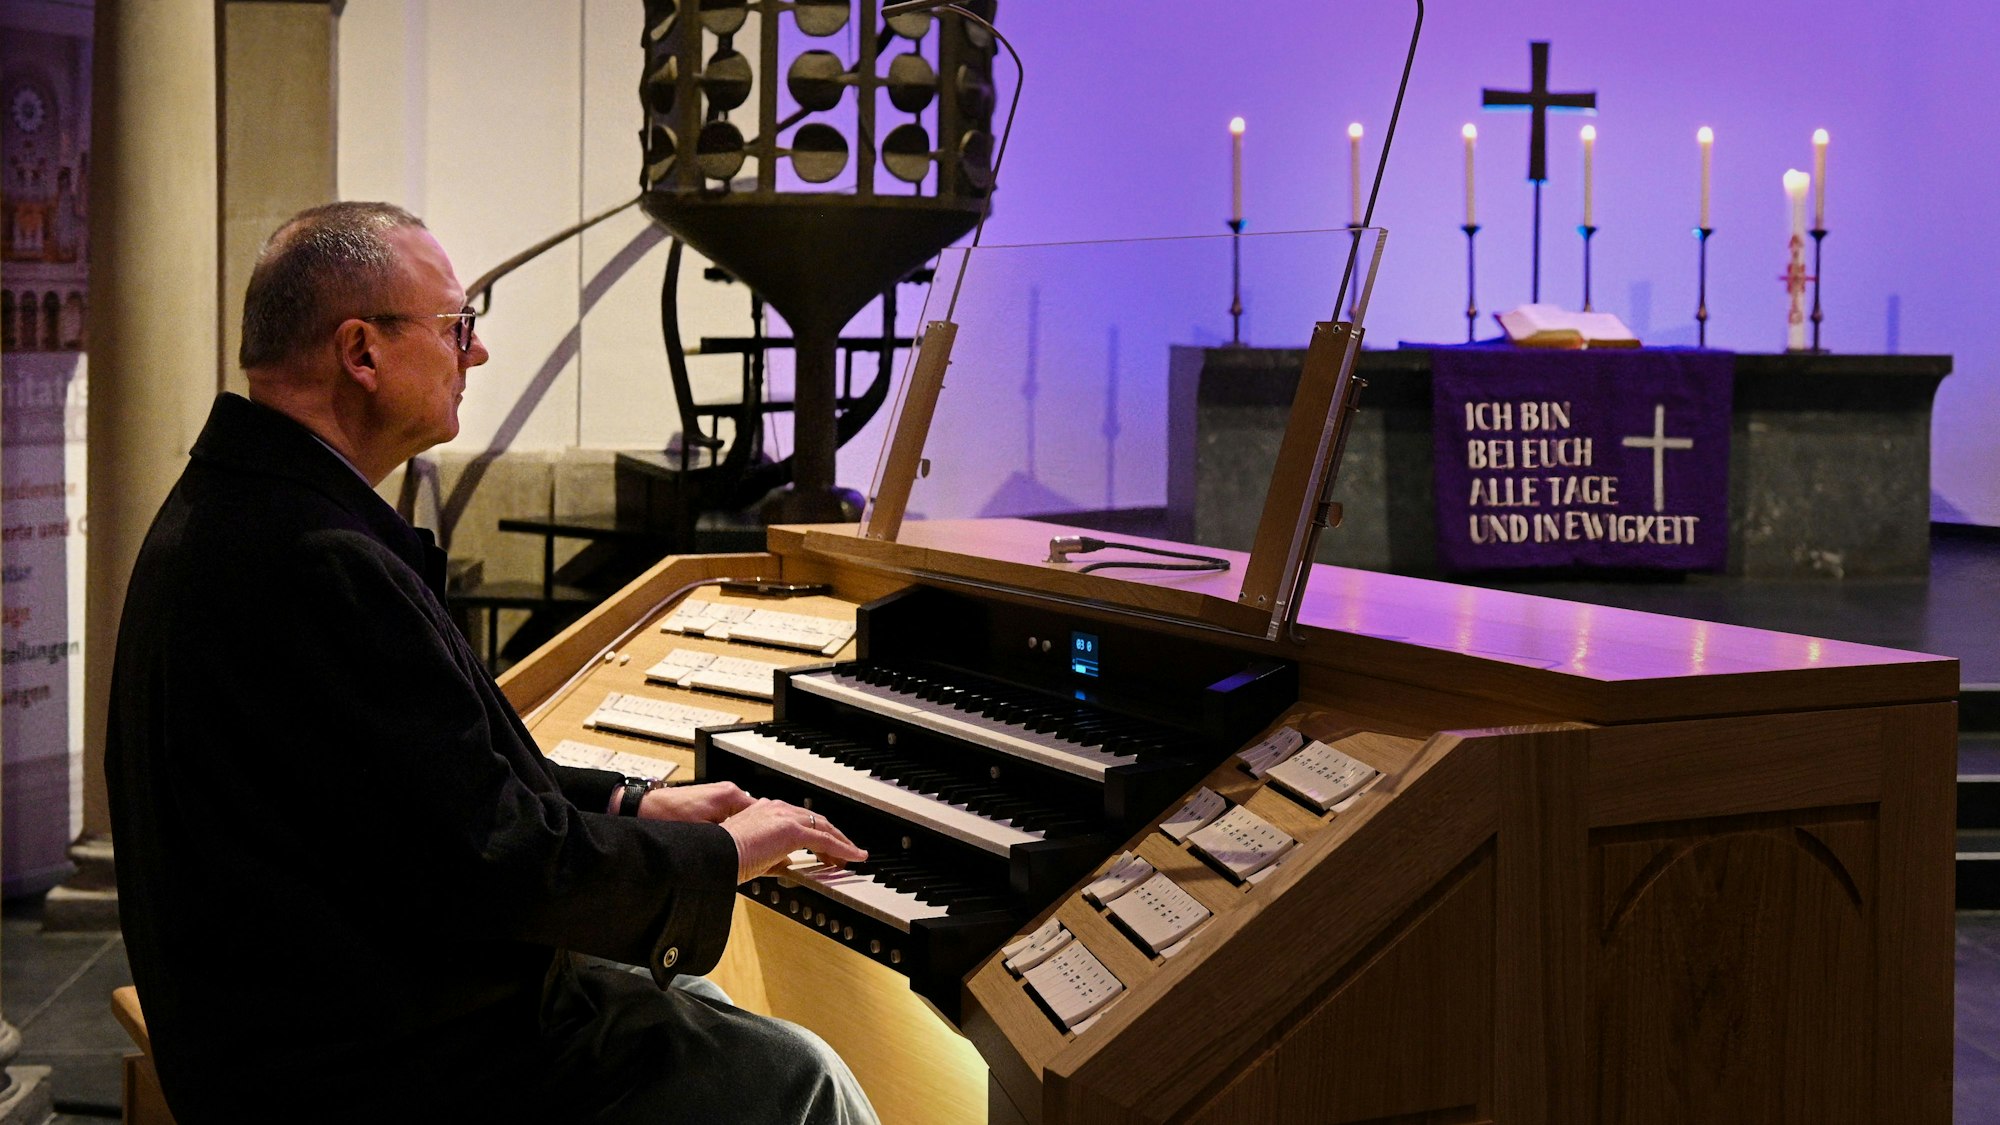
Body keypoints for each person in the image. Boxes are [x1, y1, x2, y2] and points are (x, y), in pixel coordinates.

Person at [107, 202, 878, 1123]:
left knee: (697, 1004)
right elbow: (493, 859)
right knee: (797, 1075)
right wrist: (714, 855)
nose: (474, 354)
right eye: (456, 326)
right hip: (359, 1069)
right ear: (362, 352)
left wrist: (633, 804)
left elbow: (425, 791)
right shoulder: (315, 559)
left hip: (302, 1013)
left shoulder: (242, 506)